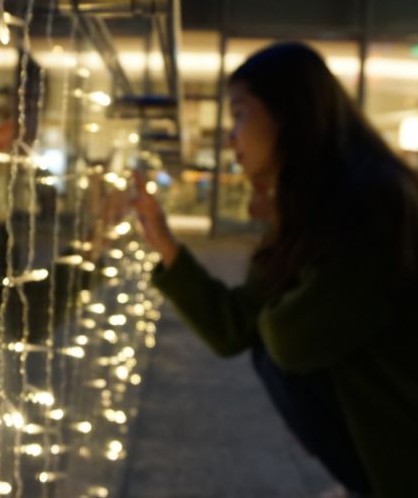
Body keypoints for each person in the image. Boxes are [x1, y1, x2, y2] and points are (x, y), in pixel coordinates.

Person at [131, 42, 418, 498]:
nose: (231, 137)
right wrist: (164, 241)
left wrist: (275, 299)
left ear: (288, 115)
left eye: (240, 114)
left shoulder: (372, 201)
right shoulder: (311, 203)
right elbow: (233, 328)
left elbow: (291, 341)